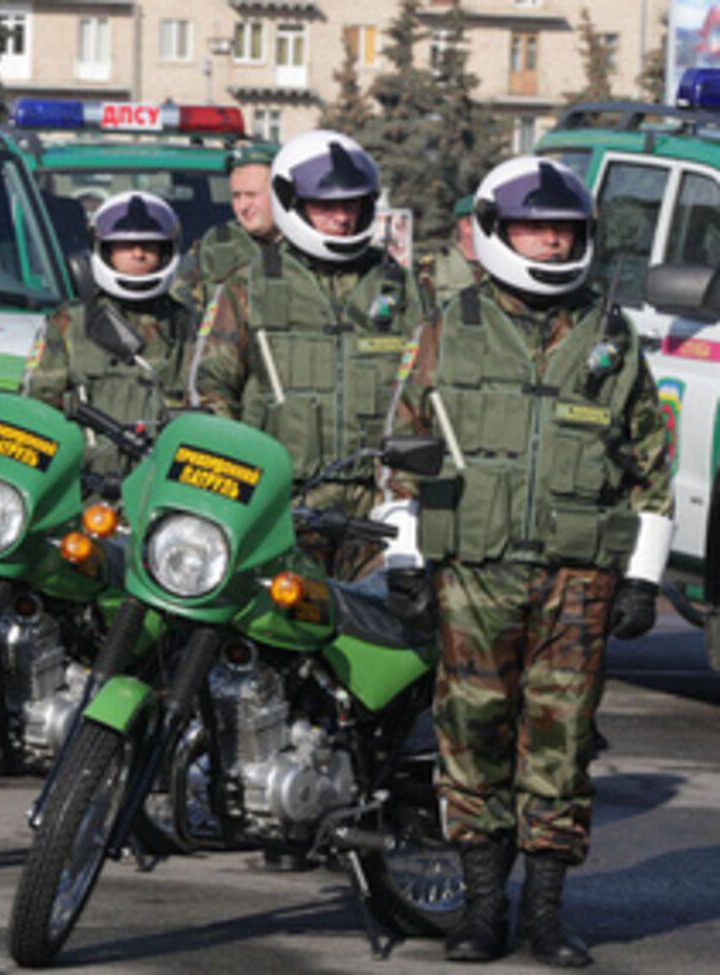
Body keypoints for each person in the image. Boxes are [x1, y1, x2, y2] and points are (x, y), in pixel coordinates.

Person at [384, 156, 672, 966]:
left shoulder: (611, 334)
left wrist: (643, 577)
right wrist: (405, 556)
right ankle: (481, 912)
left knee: (561, 744)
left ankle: (545, 915)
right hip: (472, 573)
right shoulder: (447, 326)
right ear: (500, 232)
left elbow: (650, 465)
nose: (550, 240)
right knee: (470, 737)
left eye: (564, 229)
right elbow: (405, 447)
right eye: (534, 227)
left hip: (577, 584)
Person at [192, 130, 424, 578]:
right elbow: (210, 391)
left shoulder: (402, 289)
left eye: (352, 204)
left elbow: (429, 396)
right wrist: (236, 487)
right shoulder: (247, 288)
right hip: (282, 504)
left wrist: (404, 500)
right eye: (326, 205)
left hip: (376, 508)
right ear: (294, 203)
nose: (342, 217)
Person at [24, 190, 192, 475]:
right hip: (86, 484)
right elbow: (36, 409)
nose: (138, 254)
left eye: (149, 246)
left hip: (164, 486)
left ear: (167, 251)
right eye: (125, 245)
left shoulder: (190, 326)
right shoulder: (69, 323)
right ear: (105, 250)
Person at [171, 142, 280, 315]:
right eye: (236, 196)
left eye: (252, 195)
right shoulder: (213, 247)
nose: (243, 206)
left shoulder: (310, 245)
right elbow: (181, 312)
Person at [417, 193, 484, 307]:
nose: (478, 230)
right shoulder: (437, 262)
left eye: (483, 223)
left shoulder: (501, 263)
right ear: (460, 224)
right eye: (471, 223)